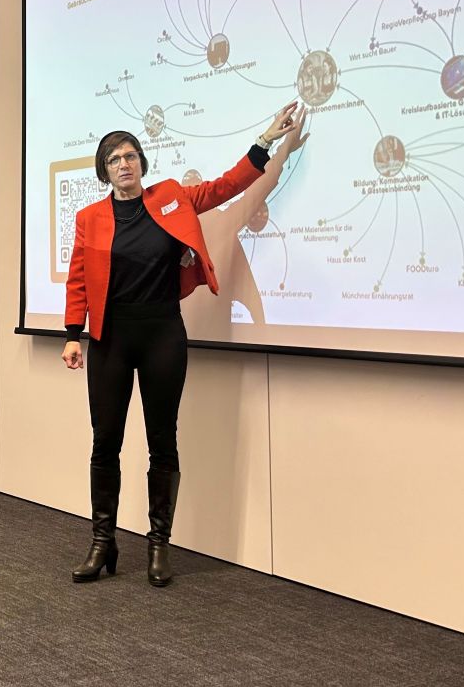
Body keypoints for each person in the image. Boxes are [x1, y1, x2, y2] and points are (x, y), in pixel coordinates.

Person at [63, 101, 307, 587]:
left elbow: (226, 187)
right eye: (114, 159)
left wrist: (266, 141)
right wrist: (73, 334)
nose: (124, 164)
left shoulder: (171, 197)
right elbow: (78, 277)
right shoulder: (90, 217)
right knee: (105, 442)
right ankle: (102, 541)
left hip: (162, 334)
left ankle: (159, 544)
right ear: (104, 171)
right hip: (110, 338)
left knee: (163, 440)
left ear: (142, 162)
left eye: (130, 155)